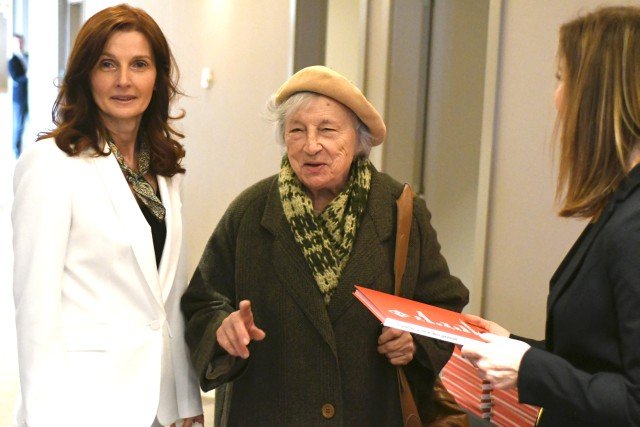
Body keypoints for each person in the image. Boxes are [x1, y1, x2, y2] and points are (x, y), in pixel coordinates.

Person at [181, 65, 469, 426]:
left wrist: (415, 341)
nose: (311, 145)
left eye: (328, 130)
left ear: (359, 139)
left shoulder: (398, 210)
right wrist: (223, 328)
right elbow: (202, 302)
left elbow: (444, 305)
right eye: (297, 130)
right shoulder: (250, 211)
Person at [12, 5, 203, 427]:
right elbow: (35, 311)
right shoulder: (52, 164)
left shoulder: (166, 170)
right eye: (107, 64)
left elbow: (170, 300)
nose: (124, 80)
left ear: (158, 77)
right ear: (85, 75)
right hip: (83, 405)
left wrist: (187, 400)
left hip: (159, 406)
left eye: (139, 65)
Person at [460, 6, 640, 426]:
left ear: (596, 95)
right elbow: (597, 358)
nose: (556, 99)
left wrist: (528, 367)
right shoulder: (621, 205)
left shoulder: (634, 224)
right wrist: (516, 347)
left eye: (562, 79)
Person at [8, 33, 28, 158]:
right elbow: (16, 77)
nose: (19, 44)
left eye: (21, 41)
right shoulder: (12, 61)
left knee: (29, 122)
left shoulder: (27, 56)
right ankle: (16, 150)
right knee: (19, 125)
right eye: (17, 42)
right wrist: (28, 77)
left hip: (30, 96)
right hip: (19, 98)